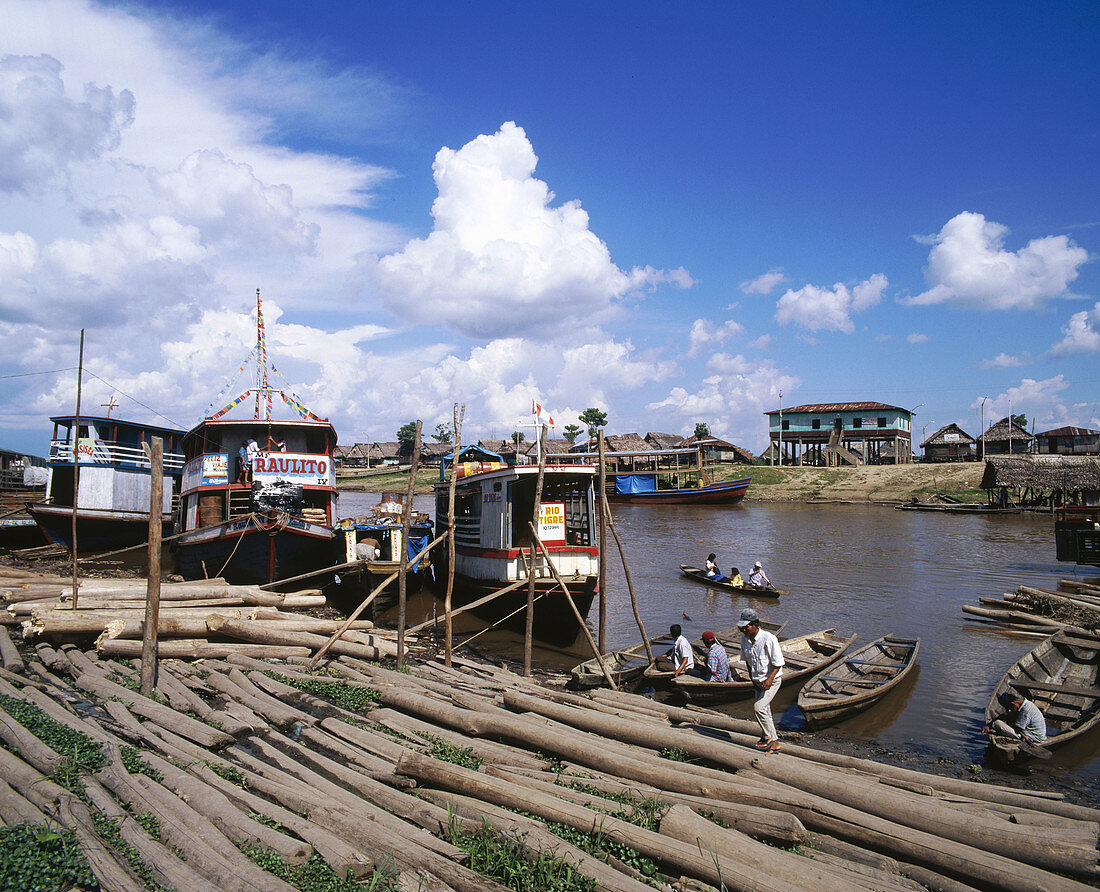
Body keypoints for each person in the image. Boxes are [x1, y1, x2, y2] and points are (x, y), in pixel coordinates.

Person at [738, 607, 784, 752]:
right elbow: (747, 661)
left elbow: (778, 664)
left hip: (772, 680)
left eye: (746, 627)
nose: (743, 630)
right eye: (741, 628)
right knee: (766, 711)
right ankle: (775, 742)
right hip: (758, 681)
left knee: (759, 708)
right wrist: (753, 679)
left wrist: (769, 680)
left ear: (755, 625)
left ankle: (768, 737)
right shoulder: (744, 640)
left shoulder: (769, 639)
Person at [982, 692, 1047, 744]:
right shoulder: (1025, 703)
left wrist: (1008, 722)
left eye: (1010, 708)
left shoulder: (1025, 711)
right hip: (1035, 733)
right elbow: (1006, 715)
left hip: (1033, 737)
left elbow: (1018, 728)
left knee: (997, 723)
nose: (1011, 710)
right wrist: (989, 725)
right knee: (1008, 718)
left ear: (1013, 704)